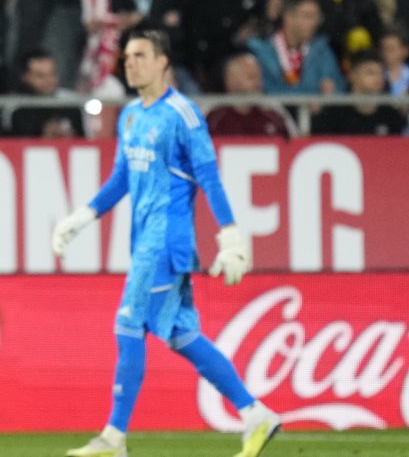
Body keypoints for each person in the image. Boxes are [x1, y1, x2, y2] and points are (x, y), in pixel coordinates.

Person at [51, 29, 281, 457]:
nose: (130, 63)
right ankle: (255, 414)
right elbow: (122, 177)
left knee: (128, 324)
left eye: (140, 55)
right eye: (127, 57)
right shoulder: (130, 116)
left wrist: (230, 235)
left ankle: (114, 438)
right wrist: (82, 218)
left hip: (166, 241)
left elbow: (208, 176)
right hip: (144, 241)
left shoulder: (182, 114)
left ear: (163, 62)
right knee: (181, 334)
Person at [313, 49, 405, 135]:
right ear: (352, 75)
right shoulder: (334, 114)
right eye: (371, 73)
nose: (379, 78)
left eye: (381, 73)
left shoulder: (390, 115)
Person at [205, 51, 295, 138]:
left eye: (259, 77)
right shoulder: (211, 114)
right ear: (230, 81)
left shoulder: (274, 111)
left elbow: (296, 142)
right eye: (250, 77)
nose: (257, 82)